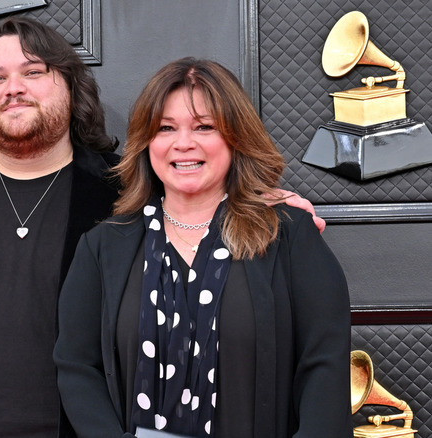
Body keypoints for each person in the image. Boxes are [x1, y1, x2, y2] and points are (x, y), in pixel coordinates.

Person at [0, 17, 327, 438]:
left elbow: (202, 191)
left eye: (33, 71)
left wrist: (268, 203)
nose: (13, 88)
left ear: (72, 87)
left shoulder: (130, 194)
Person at [53, 58, 352, 438]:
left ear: (235, 137)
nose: (183, 143)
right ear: (147, 143)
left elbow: (323, 365)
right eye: (165, 128)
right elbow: (77, 366)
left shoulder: (290, 236)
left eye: (204, 127)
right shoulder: (103, 247)